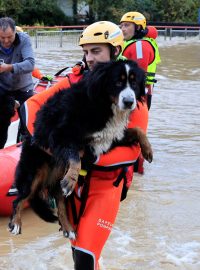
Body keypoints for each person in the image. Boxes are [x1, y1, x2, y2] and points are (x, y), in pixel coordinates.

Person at [19, 21, 149, 270]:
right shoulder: (74, 81)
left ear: (115, 51)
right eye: (86, 51)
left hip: (106, 188)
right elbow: (31, 107)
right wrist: (50, 143)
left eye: (96, 51)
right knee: (79, 254)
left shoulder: (131, 97)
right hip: (73, 187)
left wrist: (83, 153)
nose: (89, 58)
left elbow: (130, 153)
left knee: (85, 258)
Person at [120, 11, 161, 174]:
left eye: (127, 25)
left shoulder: (139, 46)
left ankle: (137, 169)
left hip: (138, 96)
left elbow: (137, 74)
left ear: (138, 27)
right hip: (137, 95)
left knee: (135, 130)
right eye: (121, 25)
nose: (123, 29)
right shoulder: (135, 43)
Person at [0, 17, 35, 148]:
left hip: (23, 88)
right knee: (1, 124)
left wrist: (8, 67)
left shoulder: (24, 39)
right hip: (3, 89)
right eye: (2, 38)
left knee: (30, 124)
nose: (6, 41)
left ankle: (27, 148)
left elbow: (30, 64)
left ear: (15, 32)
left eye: (9, 37)